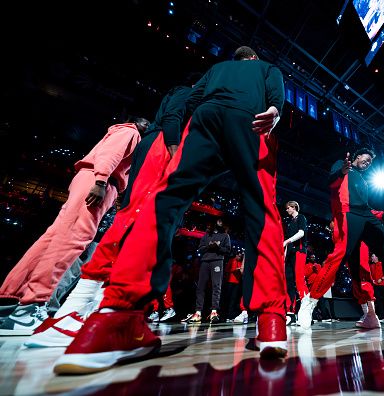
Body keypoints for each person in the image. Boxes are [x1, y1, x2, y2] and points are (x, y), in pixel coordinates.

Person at [53, 46, 286, 374]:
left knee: (165, 201)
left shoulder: (218, 68)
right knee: (261, 210)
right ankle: (271, 323)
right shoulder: (265, 67)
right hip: (252, 120)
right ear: (252, 58)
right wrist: (274, 111)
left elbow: (192, 100)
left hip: (205, 118)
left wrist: (185, 137)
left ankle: (115, 319)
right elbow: (277, 95)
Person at [26, 84, 192, 347]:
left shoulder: (144, 134)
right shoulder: (147, 126)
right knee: (119, 232)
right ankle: (73, 311)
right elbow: (171, 117)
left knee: (107, 232)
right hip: (137, 165)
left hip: (124, 177)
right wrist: (174, 152)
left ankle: (72, 311)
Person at [0, 118, 146, 336]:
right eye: (145, 123)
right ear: (134, 122)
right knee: (73, 240)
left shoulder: (121, 132)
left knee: (52, 239)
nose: (149, 126)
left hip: (90, 179)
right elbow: (110, 156)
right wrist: (101, 181)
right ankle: (31, 306)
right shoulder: (131, 132)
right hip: (99, 183)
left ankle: (11, 300)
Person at [297, 148, 384, 333]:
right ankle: (310, 301)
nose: (367, 163)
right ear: (357, 157)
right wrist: (343, 170)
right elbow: (331, 182)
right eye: (365, 159)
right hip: (347, 213)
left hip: (365, 215)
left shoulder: (363, 180)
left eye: (370, 161)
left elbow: (366, 207)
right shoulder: (343, 167)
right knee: (340, 256)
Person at [187, 219, 231, 324]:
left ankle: (214, 312)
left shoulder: (225, 236)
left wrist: (218, 247)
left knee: (216, 286)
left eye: (221, 221)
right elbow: (200, 249)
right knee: (201, 286)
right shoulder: (206, 235)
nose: (218, 223)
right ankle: (198, 312)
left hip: (217, 261)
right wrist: (208, 247)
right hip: (205, 262)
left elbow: (228, 250)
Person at [283, 201, 307, 325]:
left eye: (288, 208)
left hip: (299, 252)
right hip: (290, 255)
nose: (287, 210)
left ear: (294, 207)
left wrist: (287, 241)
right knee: (288, 282)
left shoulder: (301, 218)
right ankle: (290, 313)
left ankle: (306, 312)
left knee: (299, 280)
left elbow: (301, 233)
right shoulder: (289, 223)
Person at [222, 252, 244, 322]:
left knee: (233, 299)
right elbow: (226, 270)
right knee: (227, 298)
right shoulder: (231, 260)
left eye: (241, 257)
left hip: (237, 283)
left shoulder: (241, 262)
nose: (240, 258)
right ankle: (224, 315)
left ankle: (230, 315)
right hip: (230, 282)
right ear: (236, 255)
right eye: (239, 256)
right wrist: (234, 270)